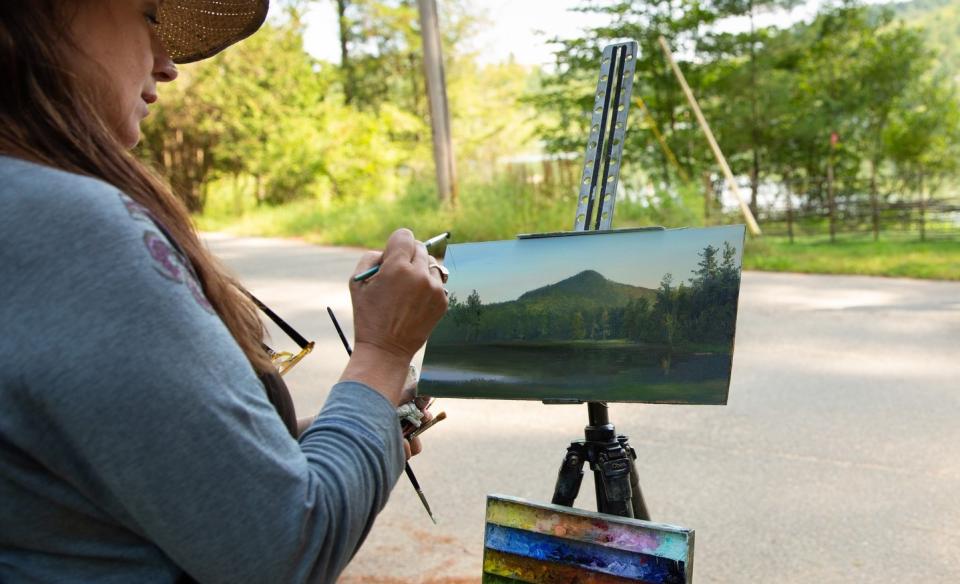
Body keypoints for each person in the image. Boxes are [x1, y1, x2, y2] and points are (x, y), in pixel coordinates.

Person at [0, 1, 448, 582]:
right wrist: (383, 355)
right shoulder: (67, 225)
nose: (168, 65)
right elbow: (286, 547)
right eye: (149, 15)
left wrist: (350, 425)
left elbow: (109, 486)